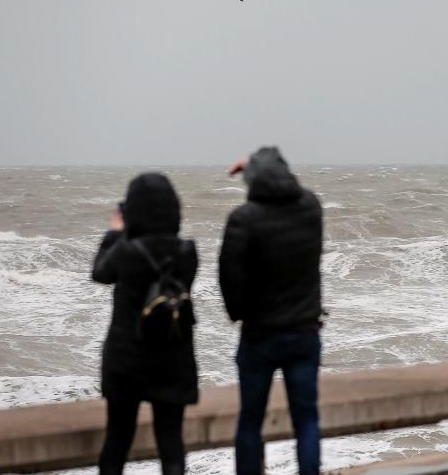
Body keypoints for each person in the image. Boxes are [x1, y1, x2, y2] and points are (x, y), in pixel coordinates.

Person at [219, 147, 324, 475]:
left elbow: (228, 276)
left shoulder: (243, 218)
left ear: (253, 180)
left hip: (260, 334)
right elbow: (294, 189)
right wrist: (260, 167)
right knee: (306, 419)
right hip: (304, 332)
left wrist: (238, 314)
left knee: (251, 420)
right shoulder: (311, 208)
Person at [92, 173, 199, 475]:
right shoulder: (186, 252)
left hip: (127, 361)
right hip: (172, 358)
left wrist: (116, 232)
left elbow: (100, 272)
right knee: (171, 446)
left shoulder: (126, 252)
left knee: (116, 444)